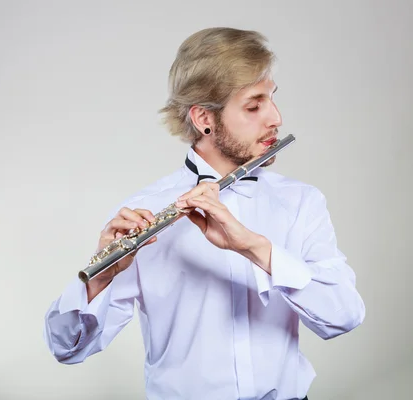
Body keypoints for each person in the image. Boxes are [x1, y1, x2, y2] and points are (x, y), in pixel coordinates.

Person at [42, 27, 365, 400]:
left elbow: (344, 316)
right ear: (203, 118)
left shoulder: (301, 202)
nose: (275, 118)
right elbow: (67, 348)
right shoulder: (141, 212)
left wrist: (256, 249)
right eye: (254, 105)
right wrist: (99, 280)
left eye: (272, 98)